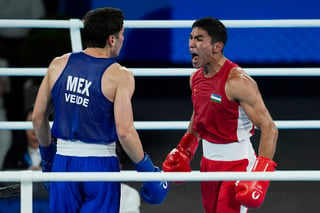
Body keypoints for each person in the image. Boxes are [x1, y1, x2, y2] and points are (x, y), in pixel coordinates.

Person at [32, 7, 168, 213]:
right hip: (100, 165)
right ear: (111, 39)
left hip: (63, 161)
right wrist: (148, 171)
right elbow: (125, 131)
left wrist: (48, 158)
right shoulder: (120, 76)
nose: (123, 39)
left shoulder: (57, 65)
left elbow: (38, 117)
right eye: (122, 34)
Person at [162, 17, 278, 213]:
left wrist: (259, 176)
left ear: (217, 47)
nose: (191, 44)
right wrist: (185, 148)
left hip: (238, 164)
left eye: (199, 39)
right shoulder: (195, 78)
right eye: (190, 37)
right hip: (208, 162)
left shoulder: (238, 82)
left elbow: (270, 128)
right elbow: (199, 115)